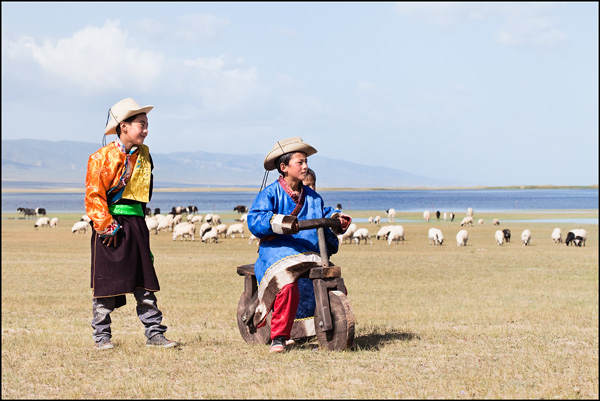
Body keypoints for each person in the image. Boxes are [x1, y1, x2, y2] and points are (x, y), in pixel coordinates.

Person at [85, 97, 178, 350]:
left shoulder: (145, 156)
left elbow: (142, 196)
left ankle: (155, 333)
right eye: (141, 124)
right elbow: (94, 196)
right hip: (110, 226)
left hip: (136, 223)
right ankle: (102, 336)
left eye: (147, 125)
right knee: (106, 282)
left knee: (144, 280)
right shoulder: (100, 157)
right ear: (123, 126)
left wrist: (140, 226)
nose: (146, 130)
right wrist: (107, 226)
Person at [247, 137, 352, 353]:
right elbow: (255, 220)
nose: (305, 166)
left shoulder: (313, 197)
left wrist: (337, 218)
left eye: (306, 162)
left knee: (331, 278)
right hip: (277, 252)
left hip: (307, 253)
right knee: (286, 281)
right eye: (300, 162)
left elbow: (323, 213)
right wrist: (284, 223)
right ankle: (279, 337)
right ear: (284, 168)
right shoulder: (269, 194)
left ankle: (326, 326)